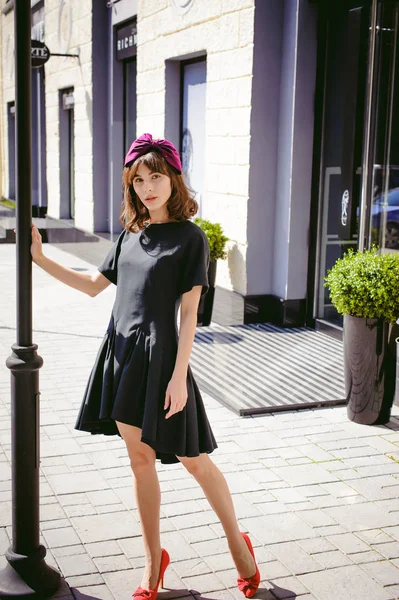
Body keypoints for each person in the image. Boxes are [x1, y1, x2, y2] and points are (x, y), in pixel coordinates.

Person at [30, 133, 260, 599]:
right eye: (139, 180)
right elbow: (95, 286)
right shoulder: (129, 235)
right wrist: (38, 257)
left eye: (156, 177)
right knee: (140, 460)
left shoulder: (192, 238)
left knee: (195, 460)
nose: (148, 187)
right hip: (121, 355)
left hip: (163, 360)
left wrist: (179, 377)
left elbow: (190, 313)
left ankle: (238, 545)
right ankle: (153, 562)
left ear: (174, 179)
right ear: (131, 186)